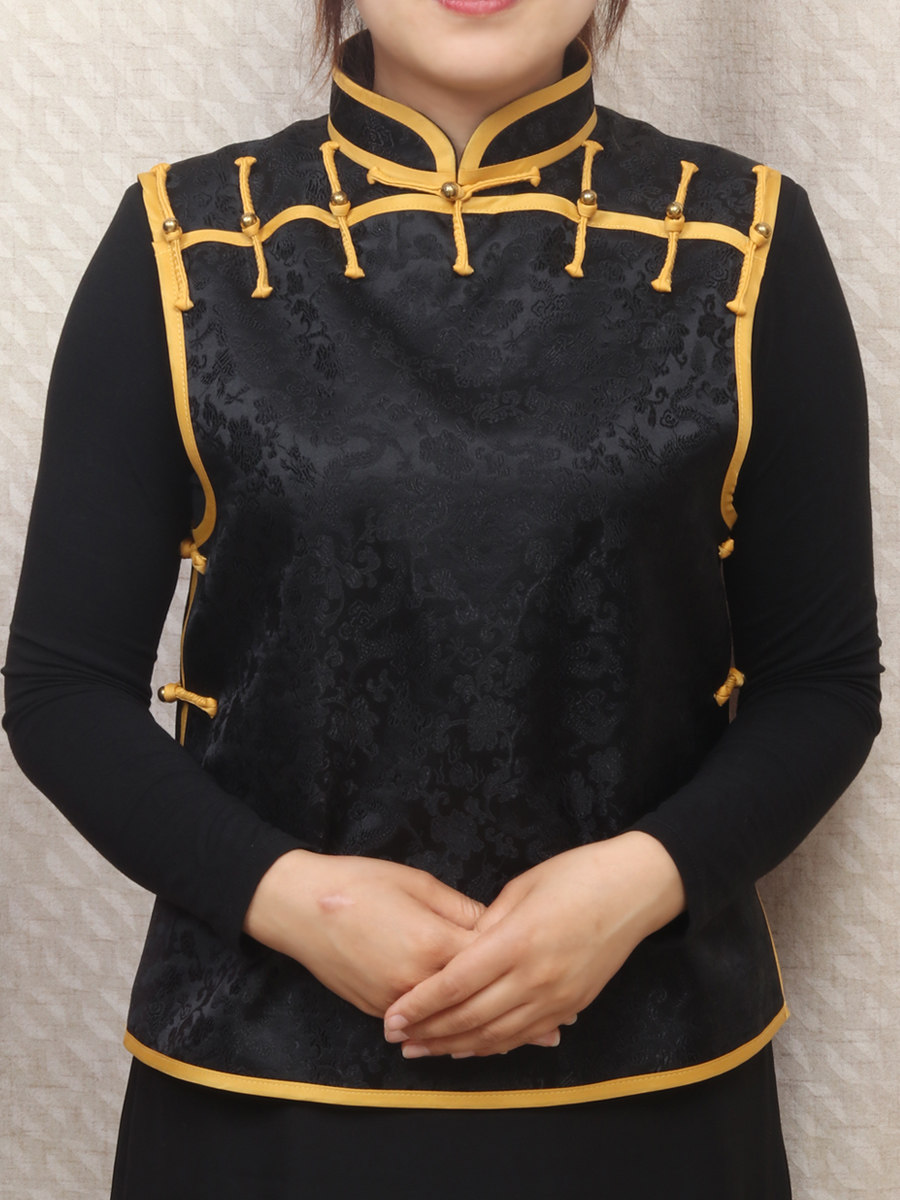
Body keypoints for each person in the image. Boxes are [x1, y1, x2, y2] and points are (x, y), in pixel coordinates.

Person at [3, 0, 881, 1196]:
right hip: (262, 1094)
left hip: (652, 1088)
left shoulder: (747, 240)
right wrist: (294, 899)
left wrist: (637, 884)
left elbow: (821, 685)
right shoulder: (182, 242)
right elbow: (62, 690)